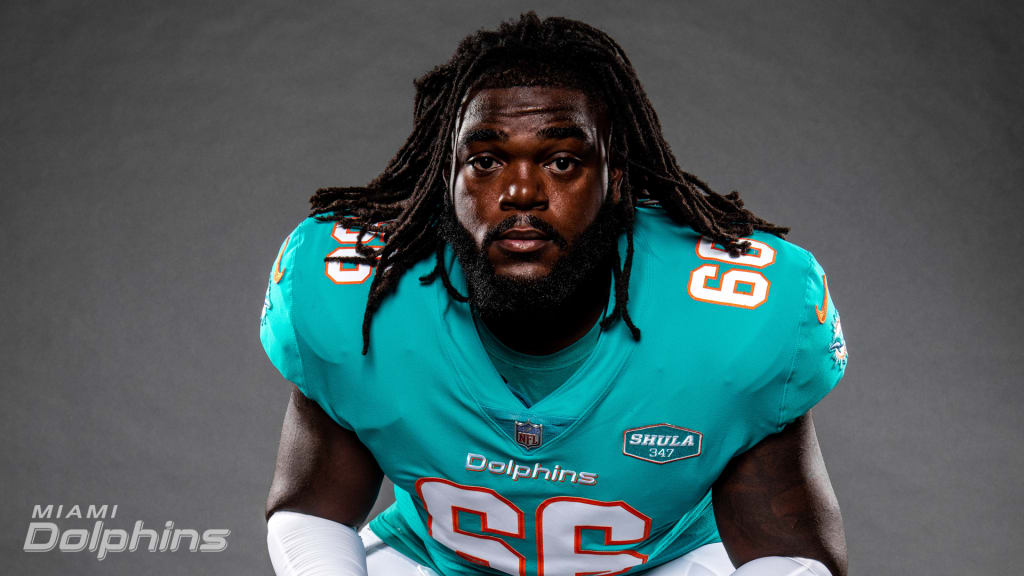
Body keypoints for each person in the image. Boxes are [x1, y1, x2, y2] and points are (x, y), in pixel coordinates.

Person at [260, 13, 848, 576]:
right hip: (436, 564)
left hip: (666, 563)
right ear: (446, 176)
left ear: (616, 176)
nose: (521, 192)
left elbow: (791, 554)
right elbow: (313, 508)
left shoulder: (735, 319)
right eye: (486, 160)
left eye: (562, 161)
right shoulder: (355, 297)